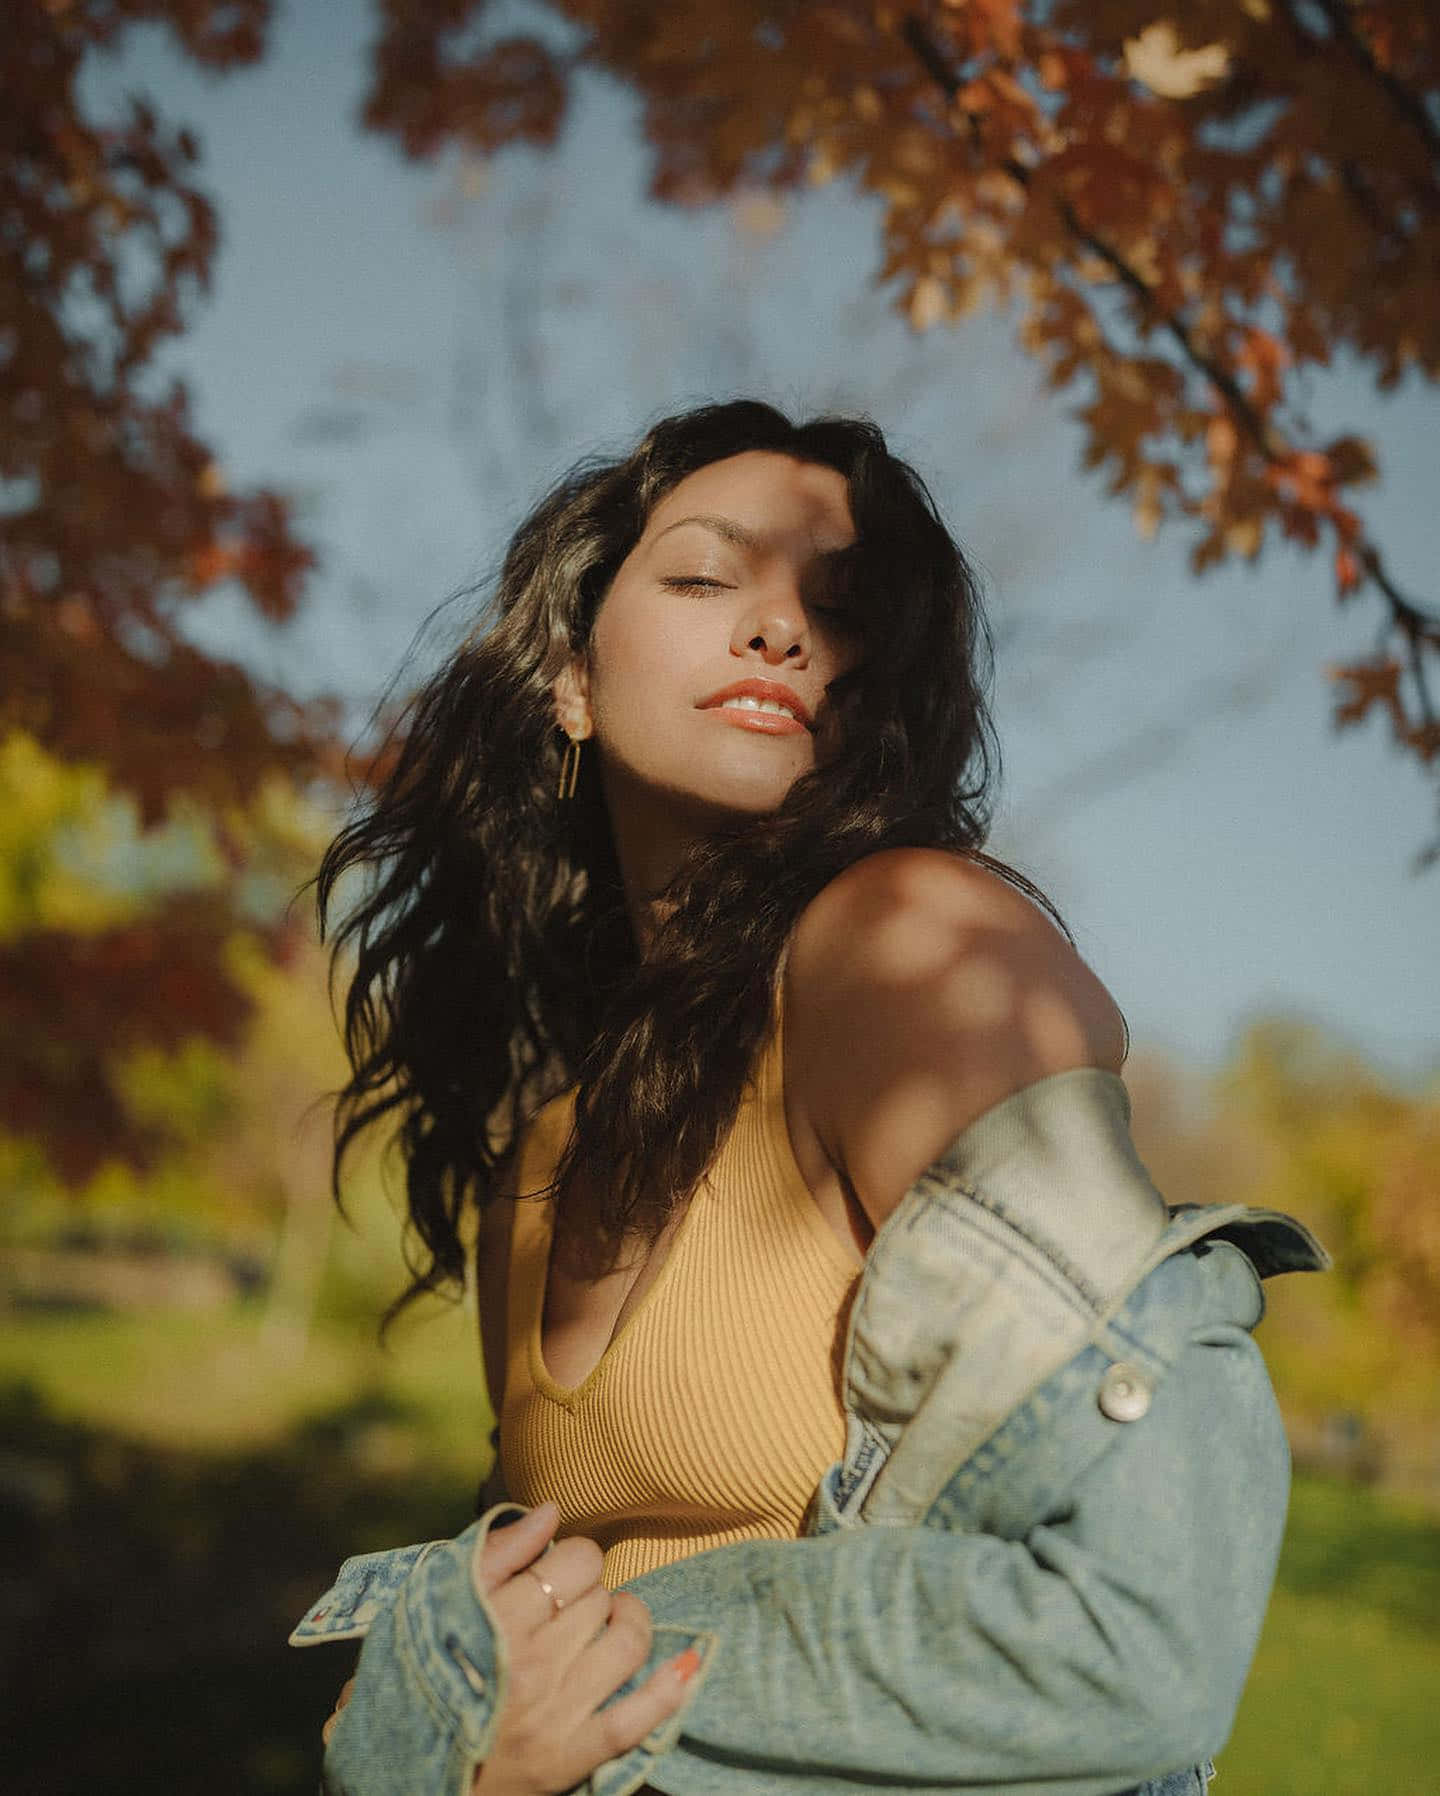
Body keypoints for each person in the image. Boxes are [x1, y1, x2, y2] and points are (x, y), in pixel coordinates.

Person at [295, 399, 1328, 1795]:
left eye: (838, 612)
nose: (780, 630)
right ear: (573, 677)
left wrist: (580, 1683)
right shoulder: (540, 1158)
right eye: (708, 577)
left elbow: (1137, 1622)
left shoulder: (907, 951)